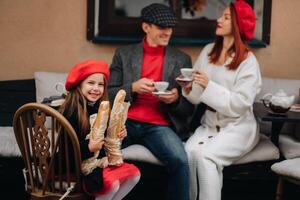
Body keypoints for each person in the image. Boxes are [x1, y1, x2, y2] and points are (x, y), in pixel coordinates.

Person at [108, 3, 195, 200]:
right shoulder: (124, 54)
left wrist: (175, 99)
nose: (168, 32)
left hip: (159, 126)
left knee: (181, 161)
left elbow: (188, 108)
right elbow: (109, 94)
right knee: (100, 155)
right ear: (146, 27)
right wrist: (133, 88)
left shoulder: (182, 59)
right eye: (162, 28)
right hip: (125, 122)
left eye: (170, 28)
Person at [179, 1, 262, 200]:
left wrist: (208, 86)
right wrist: (189, 88)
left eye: (226, 17)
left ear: (238, 24)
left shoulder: (248, 61)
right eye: (221, 16)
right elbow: (198, 95)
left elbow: (240, 105)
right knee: (189, 153)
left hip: (238, 127)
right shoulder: (208, 51)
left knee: (206, 156)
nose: (218, 20)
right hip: (210, 124)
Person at [59, 60, 140, 200]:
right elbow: (65, 149)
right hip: (75, 165)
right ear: (79, 84)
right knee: (112, 184)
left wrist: (119, 135)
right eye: (91, 83)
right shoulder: (71, 111)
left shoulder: (100, 107)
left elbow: (107, 140)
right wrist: (89, 147)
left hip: (99, 161)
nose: (96, 88)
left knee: (134, 175)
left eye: (101, 84)